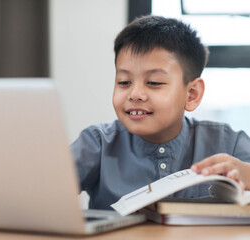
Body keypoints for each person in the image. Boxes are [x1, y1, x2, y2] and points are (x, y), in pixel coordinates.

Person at [71, 15, 250, 210]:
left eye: (154, 83)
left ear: (192, 94)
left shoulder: (227, 143)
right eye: (124, 82)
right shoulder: (98, 143)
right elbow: (40, 189)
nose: (135, 94)